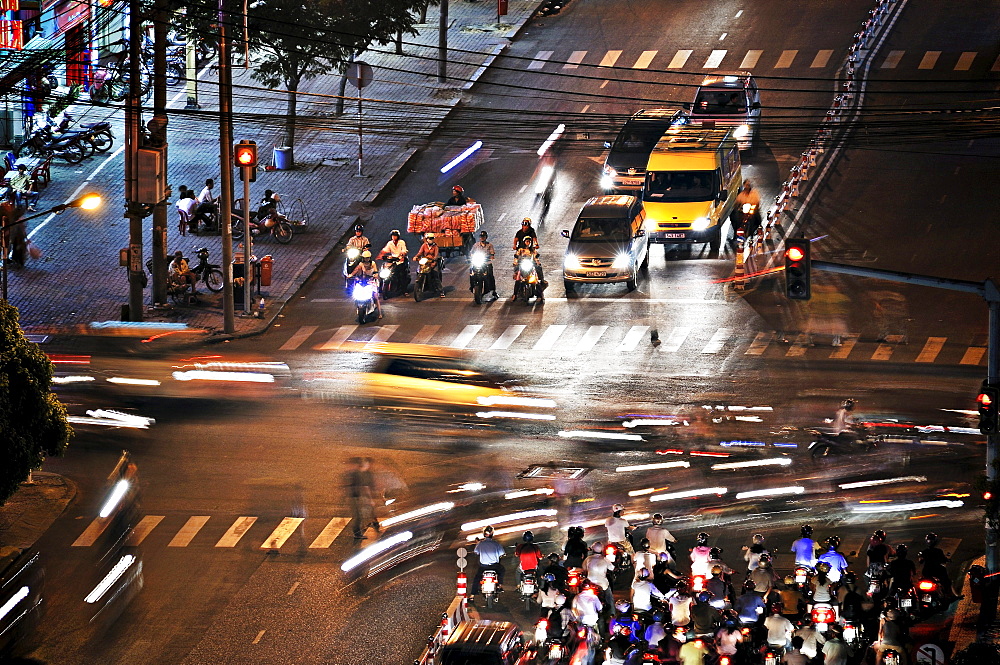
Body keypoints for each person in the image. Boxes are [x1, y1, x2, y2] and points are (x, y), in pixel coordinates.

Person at [919, 532, 960, 598]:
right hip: (937, 570)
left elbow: (921, 561)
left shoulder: (924, 552)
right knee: (946, 581)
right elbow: (943, 559)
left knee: (921, 581)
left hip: (927, 571)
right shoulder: (938, 551)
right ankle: (950, 594)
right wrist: (947, 560)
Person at [469, 525, 505, 602]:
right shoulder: (496, 544)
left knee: (477, 579)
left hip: (483, 567)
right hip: (495, 566)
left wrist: (478, 544)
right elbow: (502, 553)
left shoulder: (480, 544)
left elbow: (476, 552)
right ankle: (499, 586)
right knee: (502, 570)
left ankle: (472, 596)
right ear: (492, 534)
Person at [346, 457, 379, 539]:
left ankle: (366, 526)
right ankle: (357, 533)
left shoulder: (358, 473)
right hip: (356, 498)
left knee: (360, 514)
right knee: (358, 516)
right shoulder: (360, 474)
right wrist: (370, 499)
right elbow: (365, 488)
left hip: (355, 497)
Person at [348, 250, 382, 318]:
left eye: (367, 258)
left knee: (375, 296)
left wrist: (376, 275)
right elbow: (356, 270)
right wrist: (351, 275)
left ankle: (379, 313)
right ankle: (358, 307)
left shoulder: (372, 263)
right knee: (355, 295)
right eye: (365, 258)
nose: (366, 259)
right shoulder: (361, 264)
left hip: (371, 281)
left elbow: (375, 271)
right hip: (362, 282)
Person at [512, 235, 544, 302]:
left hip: (530, 267)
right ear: (524, 242)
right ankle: (515, 295)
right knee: (518, 279)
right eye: (526, 241)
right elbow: (516, 257)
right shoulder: (520, 250)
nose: (528, 243)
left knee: (536, 280)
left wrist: (538, 263)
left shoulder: (533, 250)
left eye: (529, 241)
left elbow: (536, 257)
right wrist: (515, 263)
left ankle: (541, 296)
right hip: (522, 267)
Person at [583, 541, 614, 607]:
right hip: (602, 584)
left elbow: (584, 569)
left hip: (590, 583)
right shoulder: (605, 559)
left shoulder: (588, 559)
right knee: (609, 597)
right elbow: (612, 568)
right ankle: (612, 613)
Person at [469, 229, 498, 299]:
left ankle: (493, 290)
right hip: (478, 263)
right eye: (481, 236)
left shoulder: (489, 245)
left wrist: (491, 256)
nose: (482, 238)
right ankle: (472, 286)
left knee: (490, 275)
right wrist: (471, 256)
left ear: (486, 237)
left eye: (483, 236)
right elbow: (471, 253)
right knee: (471, 273)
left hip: (486, 263)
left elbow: (492, 254)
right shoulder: (476, 245)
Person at [413, 232, 445, 297]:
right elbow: (420, 253)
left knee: (435, 276)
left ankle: (441, 291)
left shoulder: (435, 246)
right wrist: (416, 257)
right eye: (429, 238)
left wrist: (434, 261)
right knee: (419, 271)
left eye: (432, 238)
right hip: (425, 261)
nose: (430, 240)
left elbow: (436, 255)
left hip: (432, 262)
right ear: (426, 239)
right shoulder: (424, 245)